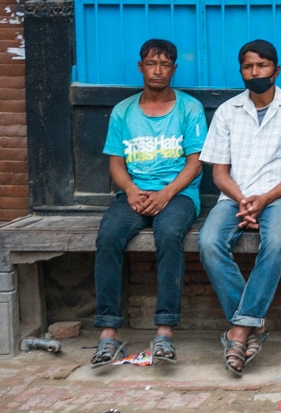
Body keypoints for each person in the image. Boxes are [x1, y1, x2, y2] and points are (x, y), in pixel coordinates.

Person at [199, 39, 281, 376]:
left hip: (279, 197)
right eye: (248, 66)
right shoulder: (228, 111)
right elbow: (218, 172)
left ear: (276, 70)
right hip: (234, 197)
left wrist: (264, 200)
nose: (255, 72)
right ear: (241, 71)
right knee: (208, 242)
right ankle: (252, 323)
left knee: (276, 242)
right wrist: (243, 199)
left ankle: (238, 331)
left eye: (262, 65)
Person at [91, 38, 207, 368]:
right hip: (134, 194)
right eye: (151, 64)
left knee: (169, 235)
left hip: (178, 195)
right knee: (109, 236)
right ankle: (109, 333)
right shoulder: (123, 111)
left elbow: (196, 162)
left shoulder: (189, 108)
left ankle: (164, 331)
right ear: (140, 67)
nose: (158, 70)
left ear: (174, 69)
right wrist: (129, 190)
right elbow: (115, 162)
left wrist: (166, 194)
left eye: (165, 64)